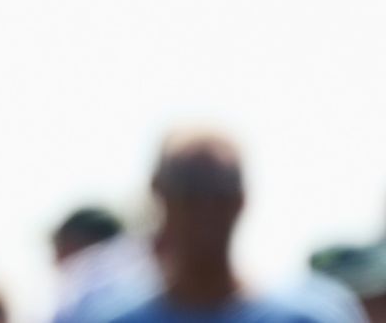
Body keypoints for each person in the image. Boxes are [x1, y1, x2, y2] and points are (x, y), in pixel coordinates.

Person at [98, 130, 364, 323]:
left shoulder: (313, 315)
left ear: (241, 201)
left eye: (219, 195)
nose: (205, 211)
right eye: (189, 193)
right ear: (159, 197)